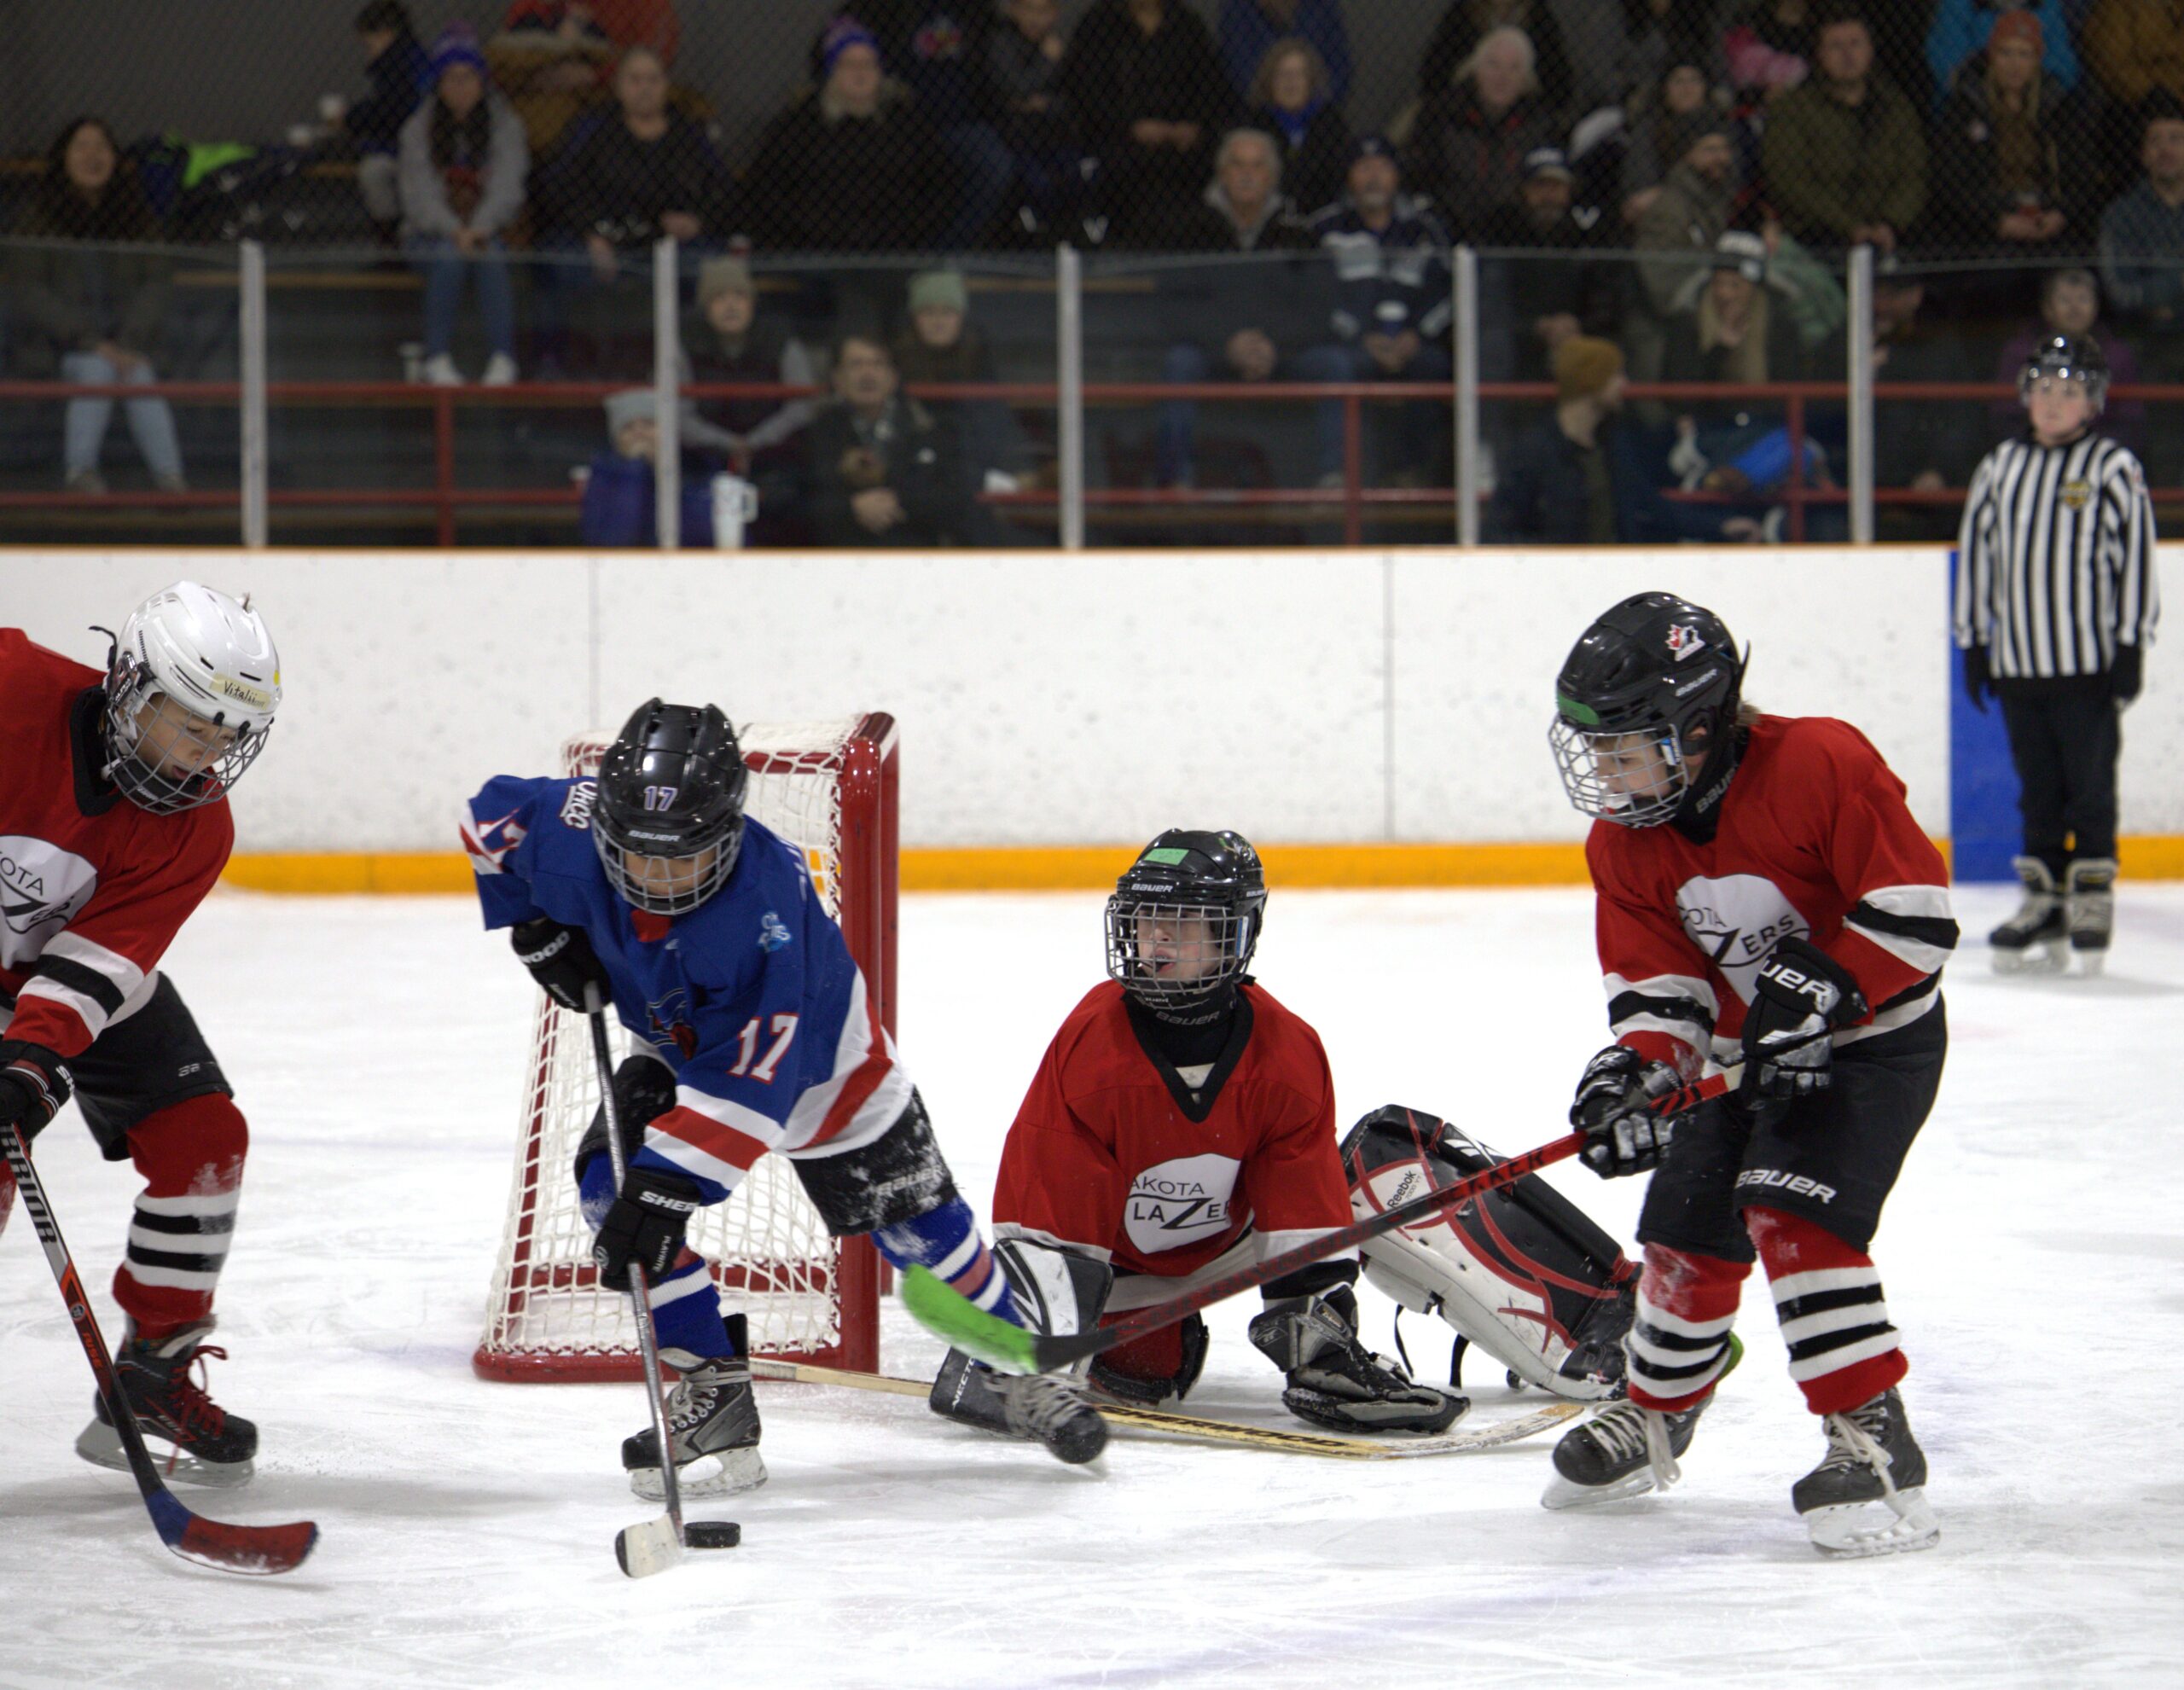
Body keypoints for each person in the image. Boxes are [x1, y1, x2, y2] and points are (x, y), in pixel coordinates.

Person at [465, 700, 1108, 1487]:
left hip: (825, 1069)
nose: (656, 879)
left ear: (728, 832)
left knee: (924, 1236)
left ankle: (1017, 1365)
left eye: (683, 858)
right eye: (636, 855)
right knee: (611, 1194)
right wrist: (535, 929)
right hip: (677, 1046)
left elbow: (756, 1085)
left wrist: (667, 1187)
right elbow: (487, 820)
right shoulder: (568, 823)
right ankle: (715, 1391)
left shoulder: (763, 910)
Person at [1545, 590, 1955, 1558]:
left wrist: (1825, 983)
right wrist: (1637, 1076)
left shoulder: (1820, 761)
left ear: (1697, 726)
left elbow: (1917, 914)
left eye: (1622, 746)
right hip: (1740, 1062)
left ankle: (1872, 1433)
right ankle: (1658, 1407)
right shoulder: (1624, 840)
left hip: (1873, 1042)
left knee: (1792, 1214)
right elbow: (1662, 990)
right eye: (1593, 748)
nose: (1604, 770)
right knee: (1683, 1230)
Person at [930, 831, 1465, 1437]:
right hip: (1120, 1269)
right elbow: (1053, 1210)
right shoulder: (1091, 1048)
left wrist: (1318, 1349)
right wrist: (1031, 1344)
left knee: (1393, 1176)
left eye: (1182, 922)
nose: (1155, 938)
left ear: (1235, 933)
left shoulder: (1287, 1051)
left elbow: (1301, 1210)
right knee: (1148, 1370)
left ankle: (1555, 1326)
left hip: (1230, 1242)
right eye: (1144, 918)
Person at [0, 583, 282, 1485]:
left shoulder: (195, 825)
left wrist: (32, 1055)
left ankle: (154, 1371)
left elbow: (99, 960)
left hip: (53, 975)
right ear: (131, 684)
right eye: (192, 724)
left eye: (228, 736)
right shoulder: (12, 690)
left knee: (205, 1140)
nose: (207, 754)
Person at [1954, 335, 2159, 974]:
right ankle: (2044, 898)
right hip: (2019, 663)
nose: (2052, 402)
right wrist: (1974, 640)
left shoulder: (2112, 466)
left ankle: (2091, 893)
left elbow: (2136, 559)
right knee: (2038, 790)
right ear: (2025, 396)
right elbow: (1978, 556)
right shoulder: (2000, 467)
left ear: (2093, 402)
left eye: (2069, 391)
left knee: (2089, 788)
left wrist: (2131, 642)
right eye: (2043, 388)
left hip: (2088, 666)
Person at [9, 118, 187, 496]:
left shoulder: (136, 217)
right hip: (60, 348)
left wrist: (128, 342)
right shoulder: (37, 220)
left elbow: (157, 282)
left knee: (138, 373)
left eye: (102, 146)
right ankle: (81, 472)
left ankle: (171, 480)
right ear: (64, 158)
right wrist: (91, 342)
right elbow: (29, 290)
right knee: (96, 368)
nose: (93, 155)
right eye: (82, 146)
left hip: (127, 345)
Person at [1155, 127, 1317, 489]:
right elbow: (1174, 307)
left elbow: (1317, 306)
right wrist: (1228, 342)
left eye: (1257, 166)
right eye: (1238, 165)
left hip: (1279, 351)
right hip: (1213, 351)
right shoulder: (1192, 229)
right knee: (1179, 363)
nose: (1247, 175)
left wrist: (1272, 343)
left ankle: (1335, 478)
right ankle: (1175, 481)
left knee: (1334, 364)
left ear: (1272, 177)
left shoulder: (1298, 231)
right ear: (1222, 173)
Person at [1300, 136, 1454, 485]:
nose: (1373, 177)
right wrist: (1360, 337)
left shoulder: (1425, 229)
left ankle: (1413, 474)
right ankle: (1340, 475)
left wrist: (1418, 335)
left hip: (1412, 343)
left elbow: (1448, 293)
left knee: (1433, 364)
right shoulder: (1325, 228)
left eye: (1383, 167)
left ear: (1397, 176)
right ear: (1349, 176)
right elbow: (1313, 297)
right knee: (1339, 366)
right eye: (1364, 168)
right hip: (1350, 344)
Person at [746, 20, 956, 253]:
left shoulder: (908, 123)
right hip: (814, 255)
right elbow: (764, 195)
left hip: (896, 254)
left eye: (868, 64)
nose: (860, 73)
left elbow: (942, 190)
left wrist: (906, 234)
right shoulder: (798, 125)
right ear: (831, 72)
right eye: (849, 64)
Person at [398, 26, 530, 387]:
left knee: (490, 254)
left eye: (468, 77)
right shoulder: (417, 129)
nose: (460, 87)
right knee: (450, 255)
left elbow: (509, 183)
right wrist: (454, 230)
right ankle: (437, 357)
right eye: (451, 78)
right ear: (438, 84)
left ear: (482, 81)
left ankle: (503, 358)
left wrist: (481, 226)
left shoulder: (505, 124)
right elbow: (418, 196)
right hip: (429, 235)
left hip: (488, 231)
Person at [1060, 0, 1239, 247]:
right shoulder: (1099, 24)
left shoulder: (1187, 24)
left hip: (1185, 147)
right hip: (1118, 143)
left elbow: (1213, 88)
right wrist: (1131, 127)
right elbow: (1084, 92)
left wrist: (1192, 128)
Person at [1758, 9, 1926, 254]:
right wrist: (1849, 227)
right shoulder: (1791, 109)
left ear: (1870, 50)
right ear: (1820, 54)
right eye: (1836, 46)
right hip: (1814, 241)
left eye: (1855, 44)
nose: (1848, 54)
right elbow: (1789, 182)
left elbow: (1913, 175)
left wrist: (1889, 223)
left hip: (1887, 238)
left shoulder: (1896, 107)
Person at [798, 332, 988, 547]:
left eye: (877, 364)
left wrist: (897, 501)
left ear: (894, 377)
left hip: (915, 555)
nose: (867, 374)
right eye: (856, 364)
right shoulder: (815, 433)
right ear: (837, 379)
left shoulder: (933, 429)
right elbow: (798, 502)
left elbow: (957, 499)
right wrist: (851, 508)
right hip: (838, 557)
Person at [1928, 9, 2081, 259]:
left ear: (2037, 59)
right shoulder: (1967, 104)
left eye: (2024, 54)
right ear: (1992, 55)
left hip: (2046, 219)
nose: (2014, 64)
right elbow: (1951, 180)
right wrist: (1995, 220)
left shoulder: (2058, 105)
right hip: (1986, 227)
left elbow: (2081, 173)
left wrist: (2060, 214)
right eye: (2005, 53)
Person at [1476, 147, 1621, 386]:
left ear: (1569, 191)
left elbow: (1606, 300)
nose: (1548, 195)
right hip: (1519, 339)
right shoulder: (1503, 233)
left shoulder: (1586, 235)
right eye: (1540, 185)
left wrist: (1577, 324)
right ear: (1524, 191)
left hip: (1577, 333)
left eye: (1557, 186)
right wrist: (1536, 326)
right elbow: (1492, 305)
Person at [1403, 26, 1564, 240]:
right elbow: (1420, 177)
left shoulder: (1542, 126)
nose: (1502, 77)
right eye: (1493, 65)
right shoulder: (1439, 117)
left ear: (1527, 79)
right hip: (1449, 233)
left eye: (1514, 68)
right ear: (1475, 69)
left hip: (1517, 239)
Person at [892, 269, 1037, 494]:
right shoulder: (893, 367)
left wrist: (1016, 468)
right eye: (928, 312)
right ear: (913, 319)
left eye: (947, 312)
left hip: (975, 475)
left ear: (961, 317)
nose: (938, 322)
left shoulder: (980, 364)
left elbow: (997, 424)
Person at [1990, 269, 2143, 452]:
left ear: (2096, 306)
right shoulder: (2021, 352)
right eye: (2065, 300)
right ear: (2047, 308)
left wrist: (2087, 450)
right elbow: (2006, 416)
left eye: (2083, 299)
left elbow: (2129, 420)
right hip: (2033, 451)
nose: (2074, 308)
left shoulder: (2117, 355)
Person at [2098, 93, 2184, 344]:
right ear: (2144, 155)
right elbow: (2121, 295)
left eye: (2176, 139)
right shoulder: (2121, 215)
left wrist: (2161, 299)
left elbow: (2139, 293)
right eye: (2156, 141)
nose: (2166, 150)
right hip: (2145, 339)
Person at [486, 2, 619, 163]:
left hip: (574, 130)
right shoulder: (527, 13)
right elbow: (500, 66)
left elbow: (615, 65)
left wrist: (590, 75)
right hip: (523, 125)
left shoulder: (591, 20)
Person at [340, 1, 429, 231]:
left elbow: (389, 113)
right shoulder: (405, 60)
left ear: (385, 34)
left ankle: (389, 238)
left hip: (413, 150)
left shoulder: (401, 64)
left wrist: (350, 118)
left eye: (369, 43)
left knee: (373, 172)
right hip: (404, 145)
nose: (368, 50)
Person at [1244, 37, 1353, 220]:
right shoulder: (1252, 126)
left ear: (1311, 80)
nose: (1291, 81)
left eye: (1298, 74)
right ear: (1269, 81)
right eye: (1282, 74)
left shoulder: (1332, 124)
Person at [1926, 0, 2078, 106]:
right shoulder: (1958, 4)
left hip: (2036, 106)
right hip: (1970, 106)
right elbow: (1947, 65)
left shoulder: (2047, 4)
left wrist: (2033, 99)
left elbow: (2063, 66)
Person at [1219, 0, 1353, 107]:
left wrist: (1317, 109)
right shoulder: (1236, 9)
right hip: (1255, 119)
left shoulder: (1323, 7)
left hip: (1318, 117)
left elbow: (1339, 70)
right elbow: (1235, 74)